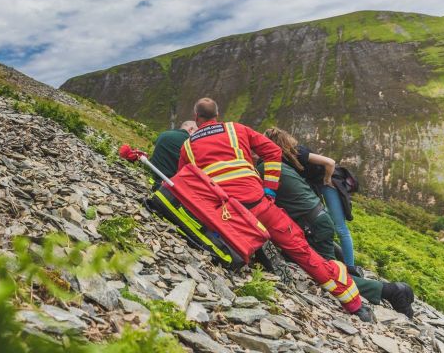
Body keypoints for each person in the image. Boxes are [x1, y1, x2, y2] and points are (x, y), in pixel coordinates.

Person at [177, 98, 371, 320]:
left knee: (241, 244)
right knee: (301, 249)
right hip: (260, 204)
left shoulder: (188, 147)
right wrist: (270, 190)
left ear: (196, 118)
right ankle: (356, 306)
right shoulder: (236, 129)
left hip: (230, 214)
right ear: (217, 116)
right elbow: (273, 151)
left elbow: (186, 181)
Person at [261, 158, 415, 317]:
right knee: (327, 260)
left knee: (327, 273)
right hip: (318, 219)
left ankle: (392, 291)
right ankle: (354, 271)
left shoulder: (263, 169)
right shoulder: (282, 165)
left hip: (311, 226)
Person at [265, 127, 356, 272]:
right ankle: (339, 259)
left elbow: (330, 162)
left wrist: (327, 179)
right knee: (323, 220)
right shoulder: (284, 157)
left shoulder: (298, 152)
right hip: (314, 184)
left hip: (328, 183)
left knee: (340, 227)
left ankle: (352, 268)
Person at [148, 121, 197, 188]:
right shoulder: (189, 142)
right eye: (197, 132)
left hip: (153, 178)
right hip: (171, 185)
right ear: (191, 129)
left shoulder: (163, 134)